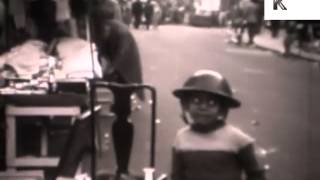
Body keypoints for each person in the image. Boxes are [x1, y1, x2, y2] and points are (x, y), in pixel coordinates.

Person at [54, 0, 144, 179]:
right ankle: (122, 168)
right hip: (121, 75)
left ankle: (123, 168)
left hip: (126, 75)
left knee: (122, 115)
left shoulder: (118, 30)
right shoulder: (110, 29)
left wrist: (106, 74)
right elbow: (103, 52)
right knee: (121, 115)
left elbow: (119, 58)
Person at [171, 70, 266, 180]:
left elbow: (255, 174)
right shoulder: (181, 137)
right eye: (196, 101)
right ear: (186, 105)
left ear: (222, 109)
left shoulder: (238, 140)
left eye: (211, 103)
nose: (203, 107)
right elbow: (177, 175)